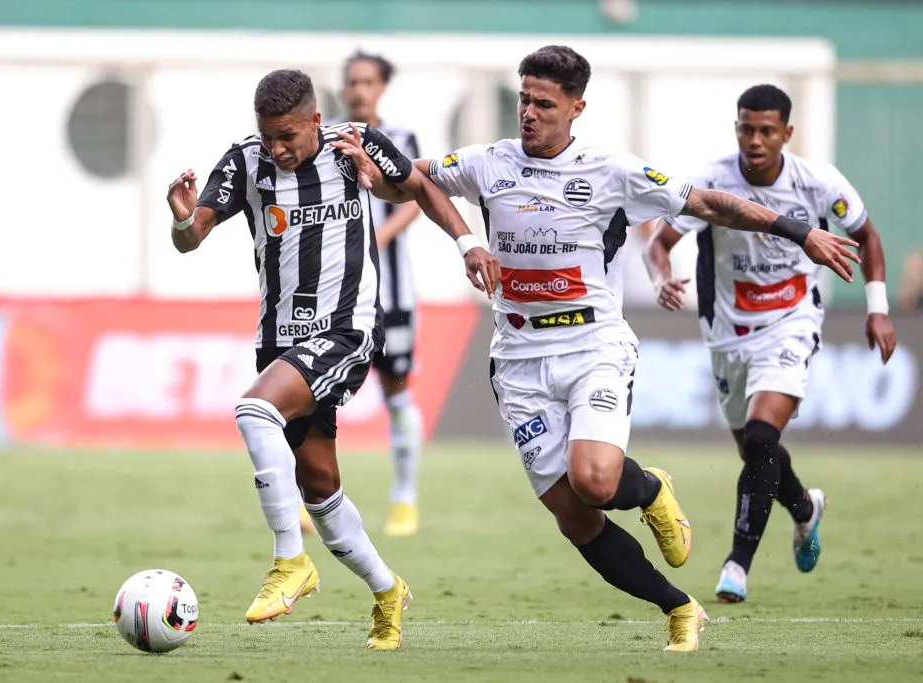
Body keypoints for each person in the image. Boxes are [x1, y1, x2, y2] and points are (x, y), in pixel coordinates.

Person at [337, 46, 861, 652]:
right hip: (518, 360)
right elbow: (416, 179)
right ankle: (679, 607)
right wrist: (430, 215)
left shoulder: (612, 170)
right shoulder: (487, 162)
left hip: (594, 347)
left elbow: (709, 203)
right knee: (575, 516)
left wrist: (800, 230)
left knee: (595, 481)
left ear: (576, 108)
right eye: (524, 100)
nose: (528, 113)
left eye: (544, 104)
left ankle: (650, 489)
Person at [165, 69, 499, 650]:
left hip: (347, 329)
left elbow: (415, 187)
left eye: (289, 135)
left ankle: (289, 562)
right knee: (319, 486)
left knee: (252, 412)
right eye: (269, 136)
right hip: (280, 341)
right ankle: (387, 589)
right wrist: (181, 219)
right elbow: (193, 236)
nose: (278, 148)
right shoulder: (246, 161)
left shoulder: (355, 145)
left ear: (316, 120)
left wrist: (467, 241)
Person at [641, 84, 897, 603]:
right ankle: (804, 507)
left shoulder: (817, 182)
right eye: (745, 129)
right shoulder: (711, 181)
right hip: (727, 332)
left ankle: (737, 564)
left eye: (765, 131)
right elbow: (659, 244)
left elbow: (867, 236)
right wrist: (659, 279)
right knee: (758, 452)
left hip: (791, 320)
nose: (754, 141)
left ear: (787, 133)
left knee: (761, 440)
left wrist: (878, 307)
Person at [334, 51, 425, 536]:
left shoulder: (402, 139)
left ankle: (404, 498)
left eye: (368, 81)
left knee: (396, 394)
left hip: (392, 295)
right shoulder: (325, 137)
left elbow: (419, 195)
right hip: (336, 296)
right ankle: (315, 499)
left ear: (382, 87)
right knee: (316, 397)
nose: (358, 89)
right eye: (352, 81)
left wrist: (376, 238)